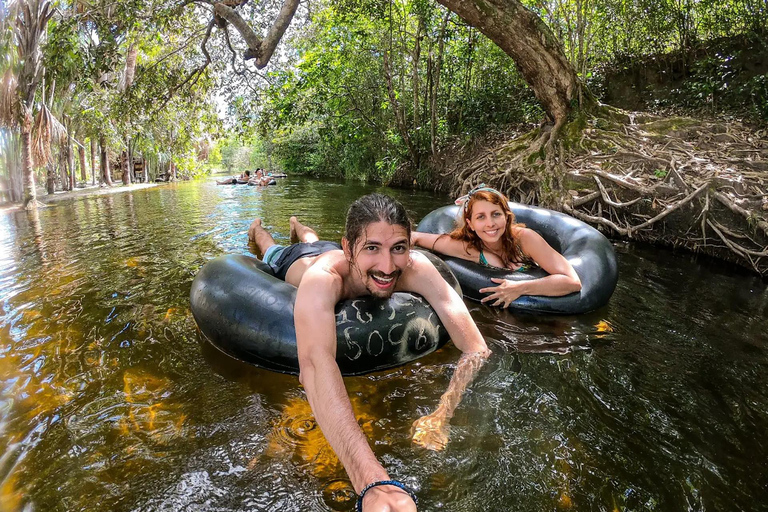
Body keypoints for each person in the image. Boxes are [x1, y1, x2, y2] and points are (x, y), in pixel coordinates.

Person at [248, 194, 490, 512]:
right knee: (273, 249)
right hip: (298, 262)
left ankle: (297, 225)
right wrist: (373, 482)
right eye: (373, 248)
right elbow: (316, 366)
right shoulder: (324, 279)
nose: (388, 267)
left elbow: (476, 347)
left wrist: (443, 413)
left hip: (329, 249)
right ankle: (258, 229)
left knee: (311, 239)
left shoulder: (415, 267)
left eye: (398, 248)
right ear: (349, 249)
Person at [411, 185, 582, 308]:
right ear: (470, 224)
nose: (490, 223)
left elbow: (572, 282)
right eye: (481, 217)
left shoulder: (526, 239)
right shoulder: (468, 247)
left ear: (506, 217)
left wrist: (520, 288)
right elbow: (418, 238)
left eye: (496, 214)